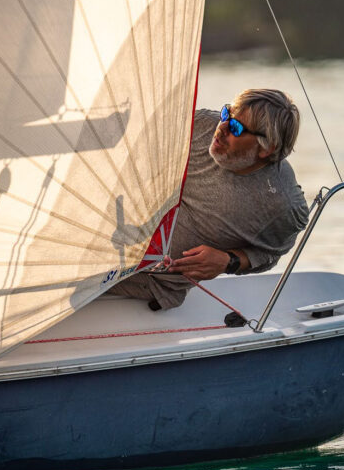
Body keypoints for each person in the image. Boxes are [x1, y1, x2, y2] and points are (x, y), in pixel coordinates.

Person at [109, 88, 309, 310]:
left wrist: (229, 261)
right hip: (99, 245)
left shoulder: (283, 206)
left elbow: (270, 254)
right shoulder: (200, 125)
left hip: (144, 285)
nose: (221, 128)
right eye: (226, 114)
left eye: (235, 128)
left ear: (267, 148)